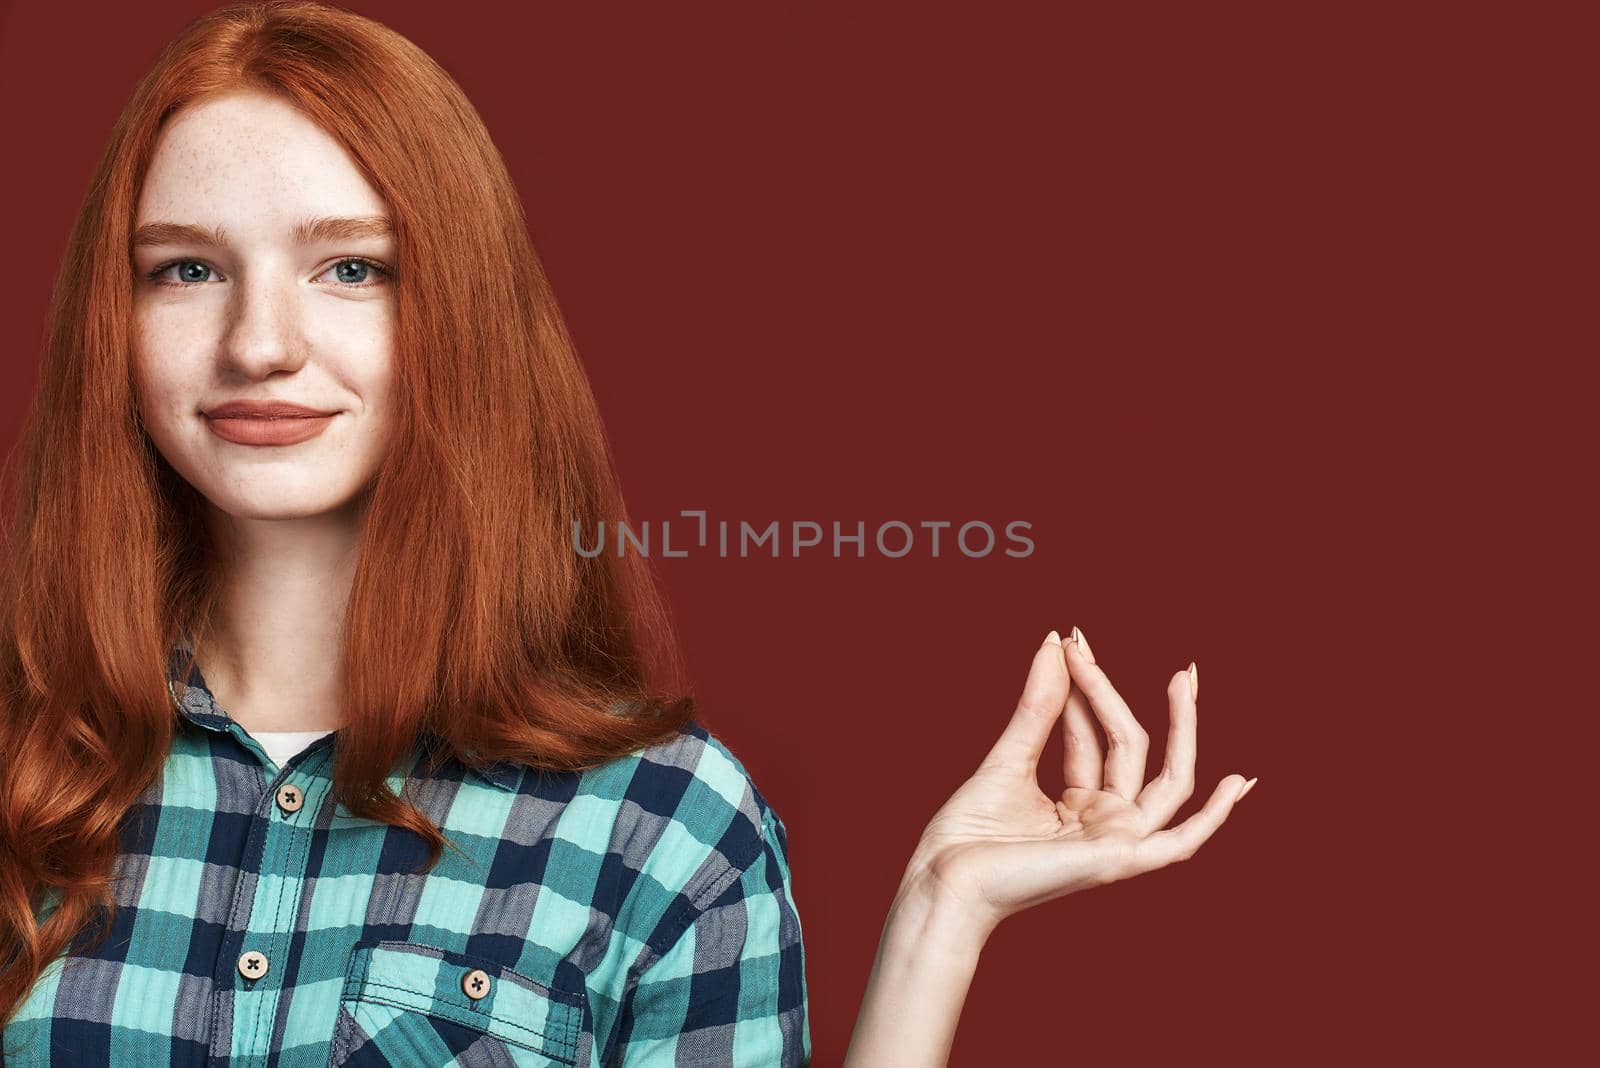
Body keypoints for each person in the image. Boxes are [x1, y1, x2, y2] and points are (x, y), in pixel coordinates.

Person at [0, 3, 1256, 1065]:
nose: (259, 343)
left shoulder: (658, 825)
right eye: (184, 270)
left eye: (353, 268)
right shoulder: (22, 767)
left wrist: (939, 917)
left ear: (464, 313)